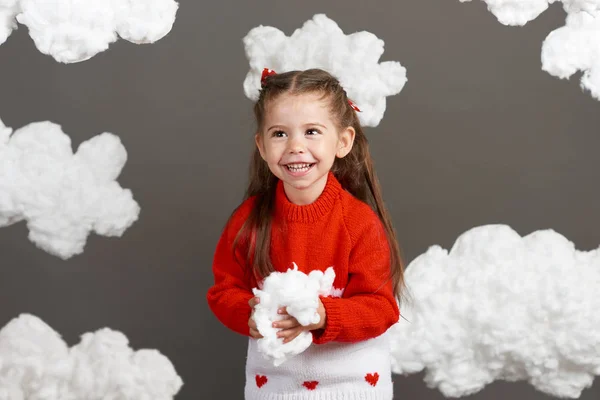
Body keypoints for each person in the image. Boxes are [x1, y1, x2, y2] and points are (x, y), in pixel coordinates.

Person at [207, 68, 406, 400]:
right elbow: (223, 292)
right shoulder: (249, 221)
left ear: (342, 142)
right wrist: (251, 312)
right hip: (275, 384)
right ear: (262, 145)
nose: (296, 146)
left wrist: (324, 314)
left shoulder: (359, 223)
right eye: (280, 134)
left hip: (351, 383)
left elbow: (381, 308)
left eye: (312, 131)